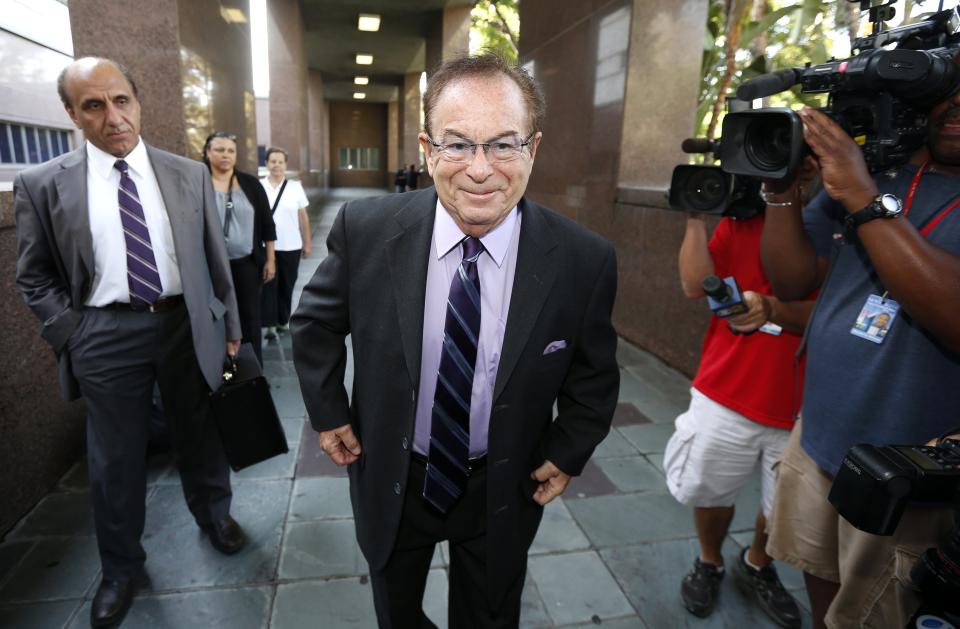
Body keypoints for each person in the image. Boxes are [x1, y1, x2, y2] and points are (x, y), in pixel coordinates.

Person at [290, 52, 619, 627]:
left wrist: (569, 449)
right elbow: (314, 323)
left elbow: (593, 371)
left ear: (532, 150)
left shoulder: (582, 260)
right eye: (458, 144)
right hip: (393, 474)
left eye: (503, 144)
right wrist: (328, 410)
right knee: (396, 612)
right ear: (427, 149)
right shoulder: (365, 231)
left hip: (504, 485)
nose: (480, 169)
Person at [14, 57, 247, 628]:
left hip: (185, 324)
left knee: (201, 432)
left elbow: (216, 260)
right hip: (105, 333)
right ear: (72, 114)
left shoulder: (185, 173)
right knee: (114, 457)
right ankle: (121, 567)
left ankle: (214, 514)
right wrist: (75, 333)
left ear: (138, 103)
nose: (112, 116)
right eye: (94, 105)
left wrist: (231, 327)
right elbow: (33, 275)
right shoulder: (42, 185)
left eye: (121, 100)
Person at [759, 72, 960, 629]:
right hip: (819, 438)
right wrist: (782, 191)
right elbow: (792, 279)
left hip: (908, 476)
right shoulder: (881, 173)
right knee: (820, 583)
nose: (956, 106)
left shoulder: (862, 184)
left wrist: (865, 200)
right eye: (952, 86)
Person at [665, 206, 814, 627]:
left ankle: (756, 563)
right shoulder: (742, 221)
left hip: (806, 407)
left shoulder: (840, 224)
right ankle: (709, 561)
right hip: (726, 393)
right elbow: (696, 286)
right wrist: (695, 216)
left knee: (779, 506)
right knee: (712, 491)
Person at [203, 131, 276, 363]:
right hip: (208, 267)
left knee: (249, 316)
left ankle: (252, 368)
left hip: (246, 264)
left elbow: (267, 223)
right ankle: (218, 365)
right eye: (220, 150)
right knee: (214, 316)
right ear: (207, 153)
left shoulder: (250, 184)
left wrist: (270, 259)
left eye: (230, 151)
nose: (226, 155)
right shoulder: (197, 182)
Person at [260, 147, 311, 341]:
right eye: (272, 161)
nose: (276, 165)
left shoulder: (295, 187)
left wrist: (307, 243)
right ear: (267, 163)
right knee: (268, 285)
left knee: (287, 285)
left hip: (291, 245)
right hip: (265, 246)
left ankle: (283, 321)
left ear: (285, 164)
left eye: (280, 162)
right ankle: (270, 325)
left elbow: (303, 217)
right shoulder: (259, 186)